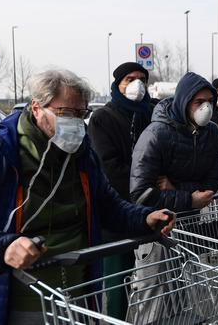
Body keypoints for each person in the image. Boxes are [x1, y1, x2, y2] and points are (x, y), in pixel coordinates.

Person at [0, 69, 174, 324]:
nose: (76, 122)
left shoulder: (83, 156)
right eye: (66, 113)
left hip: (79, 295)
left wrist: (144, 217)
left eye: (81, 114)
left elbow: (108, 206)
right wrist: (3, 246)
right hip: (13, 301)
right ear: (37, 109)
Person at [87, 62, 154, 319]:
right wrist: (149, 181)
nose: (137, 84)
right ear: (117, 84)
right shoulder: (103, 117)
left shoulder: (150, 113)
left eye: (141, 79)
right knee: (118, 281)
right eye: (129, 79)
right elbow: (109, 166)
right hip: (116, 211)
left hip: (151, 207)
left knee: (158, 276)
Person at [130, 72, 218, 210]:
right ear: (183, 102)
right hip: (159, 222)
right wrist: (189, 200)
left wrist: (176, 189)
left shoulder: (213, 133)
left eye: (210, 101)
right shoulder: (155, 135)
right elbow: (141, 194)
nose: (206, 108)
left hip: (192, 221)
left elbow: (214, 181)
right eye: (199, 102)